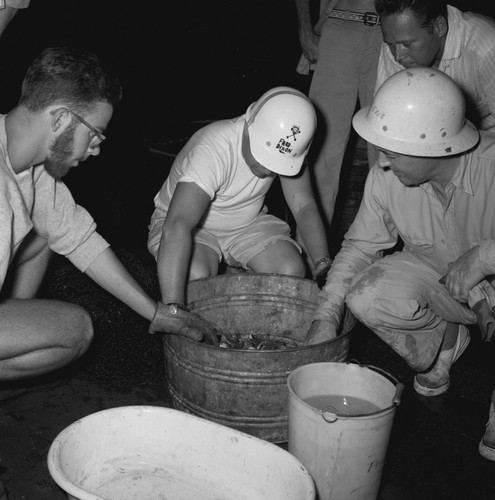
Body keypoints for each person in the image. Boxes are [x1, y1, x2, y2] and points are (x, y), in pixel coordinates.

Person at [0, 46, 212, 401]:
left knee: (43, 236)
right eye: (95, 133)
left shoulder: (33, 169)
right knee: (75, 328)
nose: (96, 148)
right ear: (60, 119)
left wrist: (155, 312)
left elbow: (80, 240)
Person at [304, 67, 495, 459]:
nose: (383, 162)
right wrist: (326, 313)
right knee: (363, 296)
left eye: (391, 151)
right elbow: (358, 248)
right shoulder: (387, 177)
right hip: (439, 278)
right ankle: (446, 338)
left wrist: (486, 256)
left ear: (430, 147)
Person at [147, 86, 331, 326]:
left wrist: (323, 265)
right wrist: (173, 308)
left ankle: (257, 337)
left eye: (277, 164)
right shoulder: (213, 148)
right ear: (248, 127)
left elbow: (304, 205)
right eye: (265, 158)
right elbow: (178, 225)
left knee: (288, 270)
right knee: (195, 279)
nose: (268, 170)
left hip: (246, 222)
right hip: (193, 227)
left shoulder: (286, 146)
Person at [294, 0, 382, 232]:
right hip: (340, 23)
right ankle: (314, 258)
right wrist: (305, 26)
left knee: (389, 156)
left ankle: (386, 258)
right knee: (321, 155)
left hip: (392, 31)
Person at [374, 0, 495, 133]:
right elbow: (387, 119)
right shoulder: (397, 40)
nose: (397, 56)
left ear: (439, 26)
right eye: (391, 45)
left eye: (407, 44)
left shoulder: (486, 47)